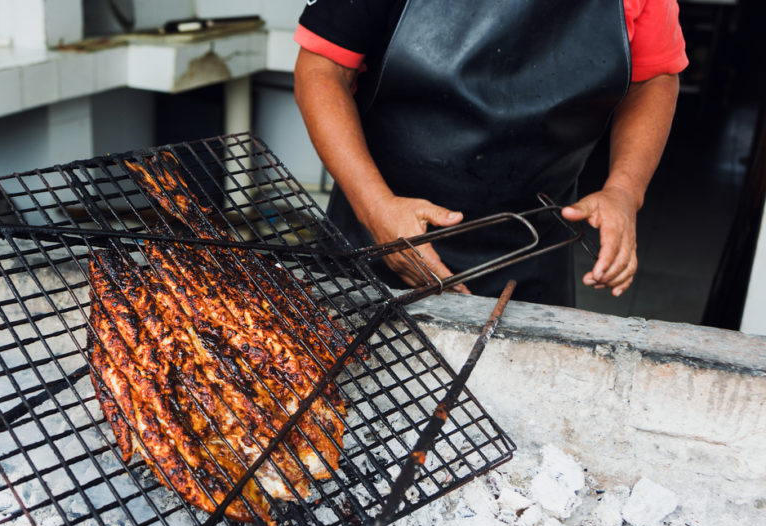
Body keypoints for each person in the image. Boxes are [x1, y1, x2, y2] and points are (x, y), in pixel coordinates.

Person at [293, 0, 687, 305]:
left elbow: (653, 79)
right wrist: (375, 206)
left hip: (532, 251)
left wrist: (624, 189)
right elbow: (322, 70)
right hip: (376, 229)